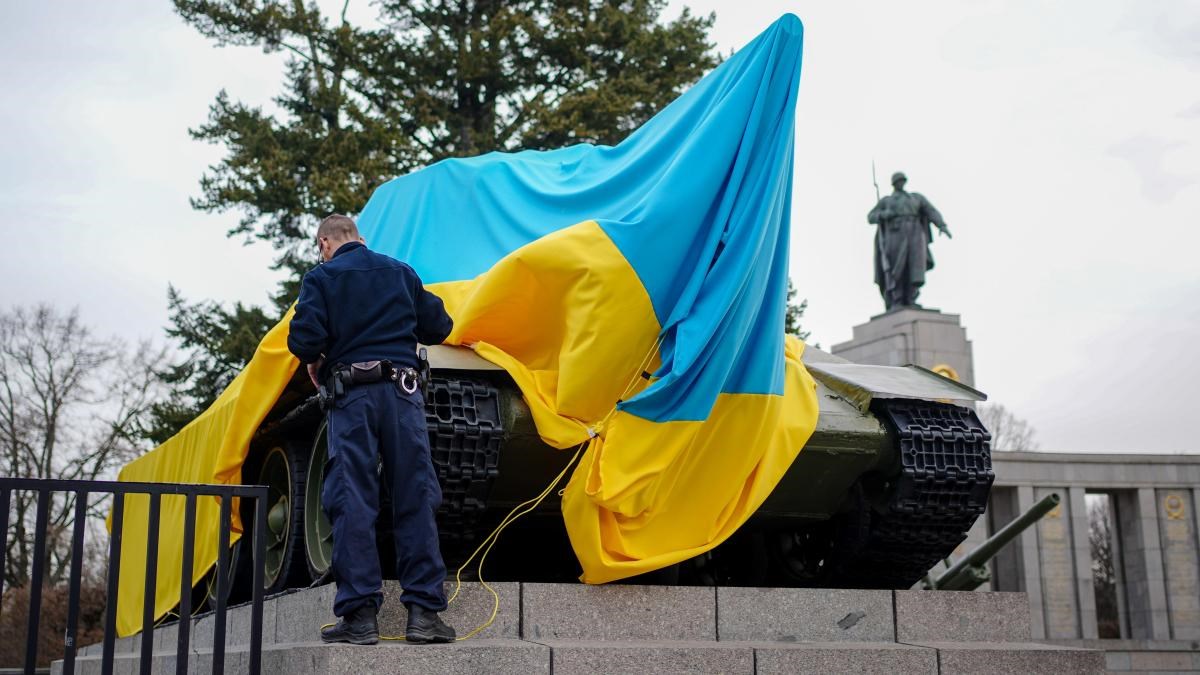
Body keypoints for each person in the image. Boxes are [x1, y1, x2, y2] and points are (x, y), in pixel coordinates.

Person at [287, 214, 456, 645]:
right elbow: (439, 326)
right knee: (414, 495)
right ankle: (424, 615)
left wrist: (322, 353)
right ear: (360, 240)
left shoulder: (320, 278)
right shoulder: (400, 271)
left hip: (352, 399)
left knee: (352, 499)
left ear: (324, 242)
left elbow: (304, 342)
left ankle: (360, 617)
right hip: (403, 394)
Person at [867, 172, 951, 310]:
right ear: (894, 184)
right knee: (896, 268)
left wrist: (942, 225)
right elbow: (871, 217)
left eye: (902, 181)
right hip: (895, 234)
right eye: (898, 181)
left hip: (915, 234)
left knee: (915, 267)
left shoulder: (915, 198)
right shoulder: (887, 201)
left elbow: (931, 211)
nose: (901, 183)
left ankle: (911, 298)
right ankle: (897, 300)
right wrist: (883, 214)